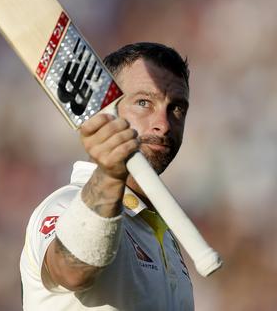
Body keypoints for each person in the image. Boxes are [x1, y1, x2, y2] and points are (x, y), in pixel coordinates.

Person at [20, 42, 193, 310]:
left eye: (177, 108)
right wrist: (111, 174)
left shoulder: (163, 234)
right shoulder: (64, 204)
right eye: (144, 102)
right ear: (103, 109)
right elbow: (71, 271)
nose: (164, 124)